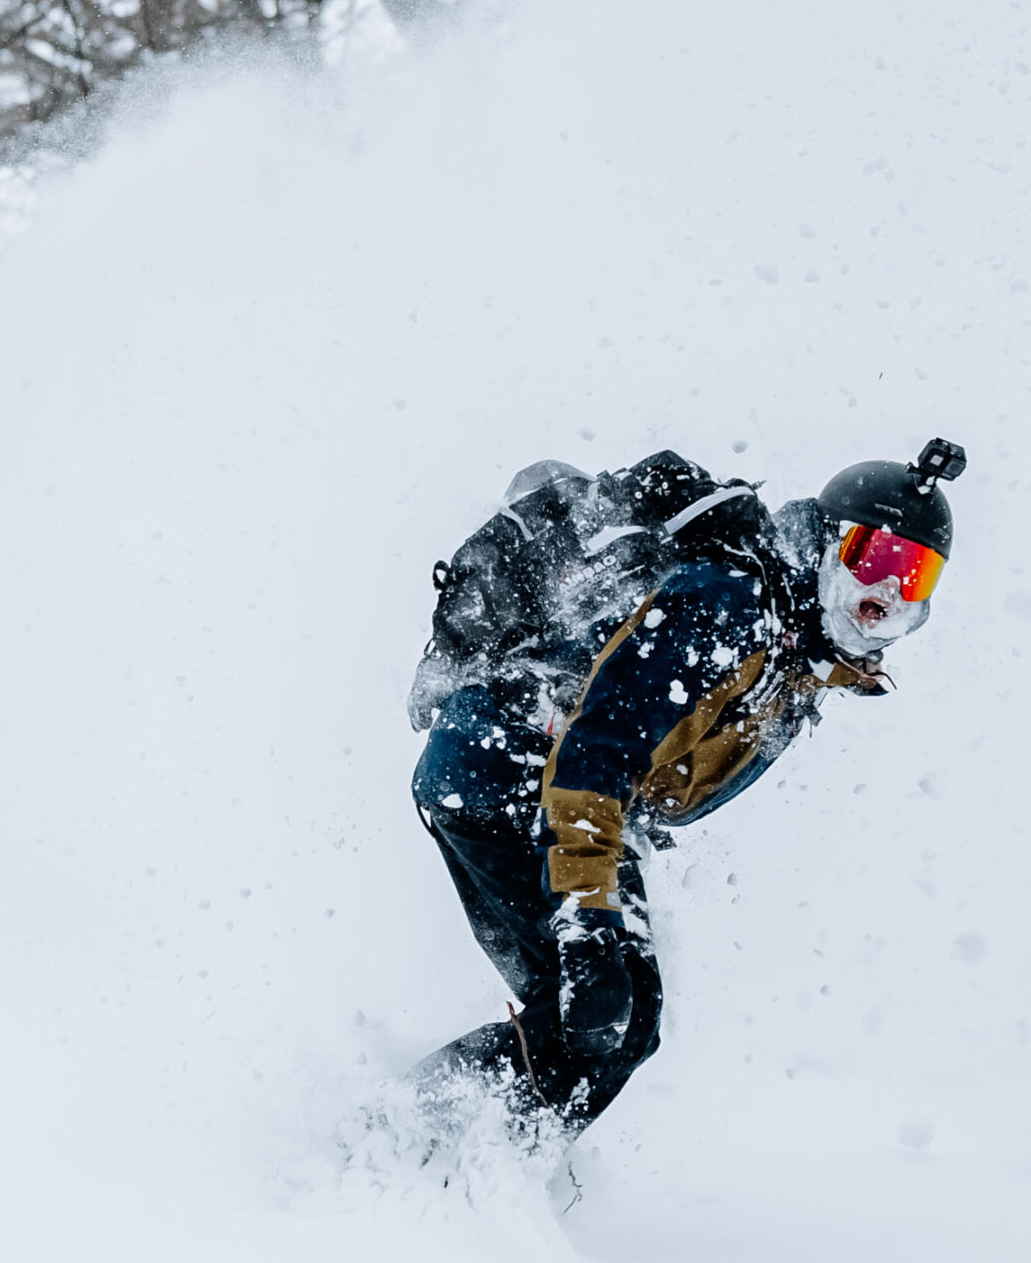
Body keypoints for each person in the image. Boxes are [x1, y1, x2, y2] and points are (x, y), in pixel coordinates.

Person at [407, 438, 964, 1129]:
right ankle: (417, 1150)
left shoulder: (794, 656)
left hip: (506, 778)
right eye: (872, 556)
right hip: (507, 766)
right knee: (607, 1014)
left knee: (606, 1020)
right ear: (826, 545)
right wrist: (587, 921)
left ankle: (441, 1154)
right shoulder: (728, 600)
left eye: (914, 576)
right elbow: (596, 749)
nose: (886, 589)